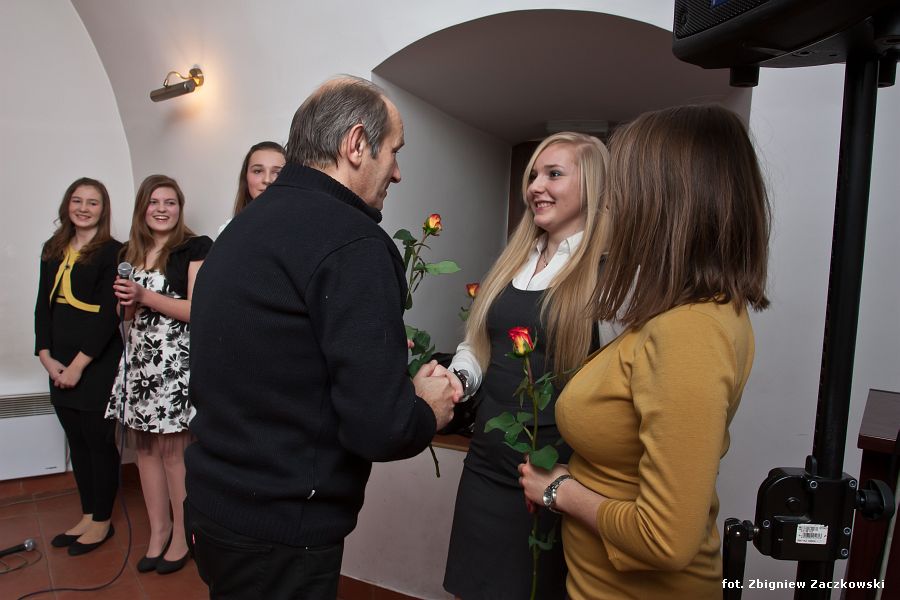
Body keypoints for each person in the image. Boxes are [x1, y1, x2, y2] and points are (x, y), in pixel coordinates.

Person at [184, 75, 459, 599]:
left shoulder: (242, 227)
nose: (397, 172)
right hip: (279, 532)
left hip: (213, 506)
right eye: (394, 151)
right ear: (356, 144)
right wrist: (426, 409)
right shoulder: (354, 242)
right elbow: (379, 427)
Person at [518, 104, 771, 600]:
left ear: (664, 203)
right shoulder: (688, 313)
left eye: (622, 189)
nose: (613, 205)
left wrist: (560, 491)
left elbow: (665, 538)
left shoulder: (690, 331)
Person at [443, 132, 613, 600]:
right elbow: (479, 342)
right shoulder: (514, 260)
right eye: (534, 175)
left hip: (552, 474)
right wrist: (458, 379)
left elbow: (620, 384)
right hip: (484, 463)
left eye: (554, 174)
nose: (535, 186)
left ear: (592, 185)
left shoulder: (609, 277)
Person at [105, 174, 212, 575]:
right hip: (139, 365)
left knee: (172, 455)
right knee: (145, 452)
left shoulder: (195, 247)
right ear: (143, 209)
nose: (162, 209)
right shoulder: (129, 253)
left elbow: (197, 310)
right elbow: (124, 316)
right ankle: (158, 531)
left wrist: (144, 295)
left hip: (173, 366)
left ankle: (183, 536)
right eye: (154, 202)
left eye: (170, 202)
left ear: (179, 208)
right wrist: (127, 303)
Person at [34, 178, 123, 556]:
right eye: (77, 200)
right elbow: (42, 306)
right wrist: (45, 356)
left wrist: (77, 367)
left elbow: (108, 316)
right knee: (76, 440)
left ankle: (102, 520)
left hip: (95, 362)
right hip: (57, 362)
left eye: (93, 202)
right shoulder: (52, 248)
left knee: (97, 441)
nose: (84, 208)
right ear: (67, 205)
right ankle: (87, 514)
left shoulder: (115, 252)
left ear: (103, 210)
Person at [231, 140, 286, 216]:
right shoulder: (232, 224)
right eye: (258, 171)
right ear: (246, 176)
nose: (267, 180)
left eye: (277, 173)